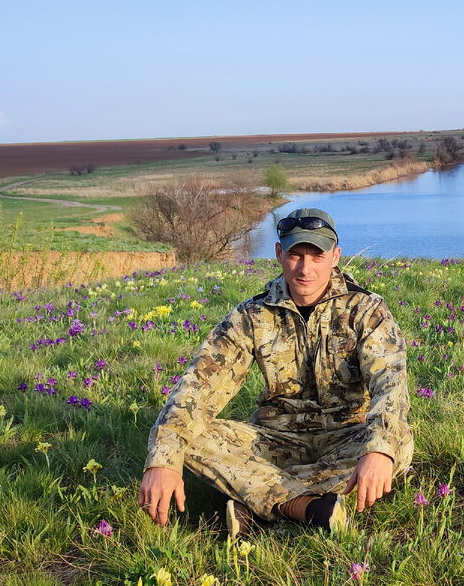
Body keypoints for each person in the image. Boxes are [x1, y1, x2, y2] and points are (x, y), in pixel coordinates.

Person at [138, 207, 414, 536]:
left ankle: (256, 499)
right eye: (296, 255)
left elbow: (390, 384)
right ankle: (307, 507)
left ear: (335, 256)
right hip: (274, 440)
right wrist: (162, 462)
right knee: (189, 440)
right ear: (279, 253)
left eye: (317, 256)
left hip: (346, 436)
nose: (305, 269)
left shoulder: (366, 310)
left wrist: (379, 449)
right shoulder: (251, 315)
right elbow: (198, 386)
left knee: (397, 445)